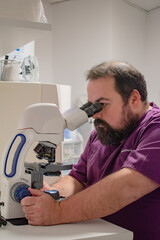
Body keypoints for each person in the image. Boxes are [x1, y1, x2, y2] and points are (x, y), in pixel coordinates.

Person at [21, 61, 160, 240]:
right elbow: (77, 179)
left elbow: (127, 186)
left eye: (101, 104)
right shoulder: (102, 133)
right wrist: (51, 194)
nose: (94, 114)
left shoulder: (154, 128)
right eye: (91, 105)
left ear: (133, 98)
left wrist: (56, 211)